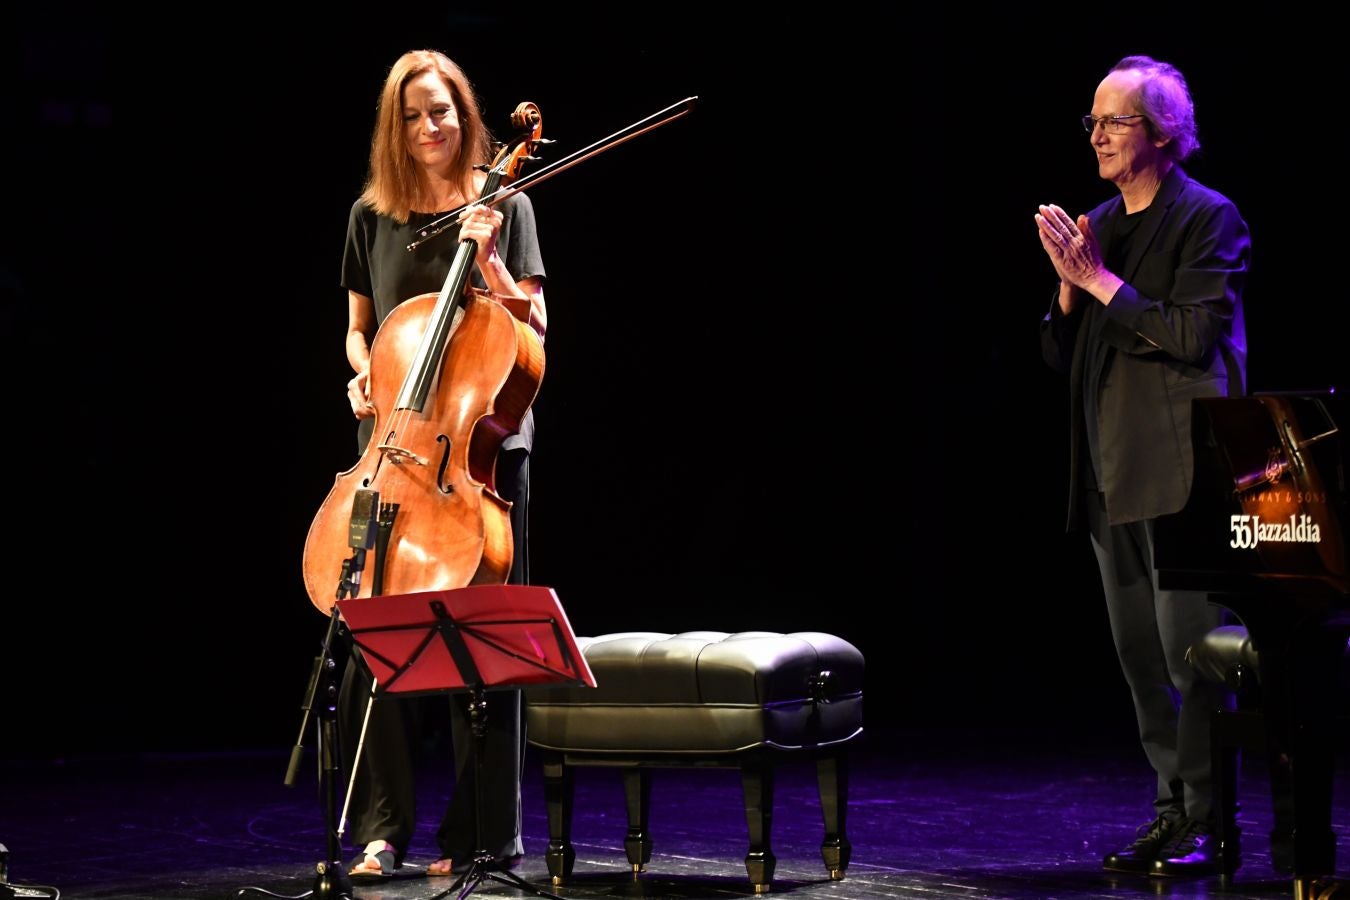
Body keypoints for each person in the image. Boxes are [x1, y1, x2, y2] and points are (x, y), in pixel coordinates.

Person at [334, 49, 547, 881]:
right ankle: (381, 830)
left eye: (442, 112)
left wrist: (487, 257)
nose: (430, 127)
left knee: (482, 641)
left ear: (466, 116)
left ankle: (482, 832)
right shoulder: (371, 215)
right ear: (395, 128)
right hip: (394, 445)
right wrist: (359, 373)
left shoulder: (508, 202)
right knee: (374, 634)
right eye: (414, 116)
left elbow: (535, 325)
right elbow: (360, 328)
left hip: (478, 448)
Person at [1036, 55, 1249, 878]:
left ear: (1161, 133)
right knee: (1138, 660)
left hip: (1180, 473)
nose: (1097, 135)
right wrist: (1067, 292)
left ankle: (1208, 820)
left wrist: (1097, 280)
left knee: (1191, 656)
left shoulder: (1207, 218)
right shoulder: (1098, 223)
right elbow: (1060, 354)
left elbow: (1192, 337)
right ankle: (1172, 810)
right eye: (1091, 121)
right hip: (1108, 475)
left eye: (1114, 120)